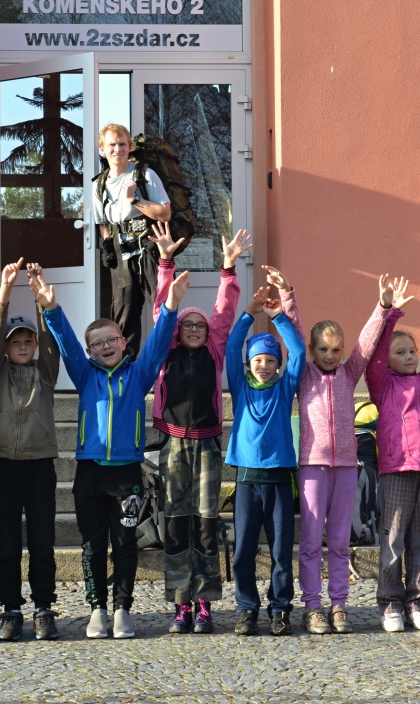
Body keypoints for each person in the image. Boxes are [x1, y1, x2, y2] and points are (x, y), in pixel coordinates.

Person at [32, 261, 190, 639]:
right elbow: (67, 345)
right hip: (89, 473)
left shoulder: (138, 374)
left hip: (126, 474)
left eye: (111, 340)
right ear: (91, 351)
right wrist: (51, 309)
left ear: (123, 342)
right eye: (98, 343)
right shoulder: (85, 374)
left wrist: (171, 306)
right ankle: (97, 609)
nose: (105, 346)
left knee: (124, 544)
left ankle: (122, 610)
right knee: (92, 546)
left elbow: (158, 344)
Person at [271, 267, 393, 635]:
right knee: (311, 542)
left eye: (336, 349)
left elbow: (366, 343)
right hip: (312, 466)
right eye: (323, 349)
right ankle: (312, 606)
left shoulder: (349, 373)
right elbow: (294, 332)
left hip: (346, 468)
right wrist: (287, 295)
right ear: (312, 350)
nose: (330, 355)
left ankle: (339, 605)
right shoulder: (304, 374)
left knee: (340, 542)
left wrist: (382, 306)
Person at [147, 222, 249, 635]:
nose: (193, 329)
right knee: (175, 523)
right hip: (172, 444)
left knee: (206, 523)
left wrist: (228, 268)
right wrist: (166, 263)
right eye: (187, 324)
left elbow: (224, 313)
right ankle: (181, 603)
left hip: (207, 447)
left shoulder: (214, 349)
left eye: (199, 326)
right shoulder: (166, 348)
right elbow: (162, 310)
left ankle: (205, 602)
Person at [364, 278, 420, 633]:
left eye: (412, 351)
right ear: (388, 359)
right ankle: (390, 604)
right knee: (393, 539)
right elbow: (374, 355)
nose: (409, 357)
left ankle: (418, 603)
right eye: (400, 352)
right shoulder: (382, 384)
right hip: (396, 470)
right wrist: (390, 314)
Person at [0, 259, 61, 642]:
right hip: (4, 465)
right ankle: (11, 609)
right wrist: (5, 290)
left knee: (42, 543)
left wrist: (40, 300)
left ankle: (43, 607)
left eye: (28, 341)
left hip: (40, 464)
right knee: (9, 546)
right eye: (16, 342)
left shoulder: (45, 372)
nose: (23, 347)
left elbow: (50, 340)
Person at [226, 283, 307, 637]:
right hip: (247, 480)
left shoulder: (285, 388)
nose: (263, 366)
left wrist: (277, 317)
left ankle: (280, 607)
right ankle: (246, 607)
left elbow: (299, 352)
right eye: (258, 360)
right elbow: (232, 347)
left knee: (280, 550)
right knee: (243, 549)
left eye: (270, 361)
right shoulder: (241, 386)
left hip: (278, 480)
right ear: (249, 364)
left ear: (278, 366)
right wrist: (249, 313)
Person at [93, 123, 171, 359]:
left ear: (129, 147)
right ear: (102, 150)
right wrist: (107, 245)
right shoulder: (98, 184)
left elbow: (165, 213)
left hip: (149, 250)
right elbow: (102, 222)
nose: (117, 149)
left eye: (122, 144)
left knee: (163, 309)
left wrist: (136, 200)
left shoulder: (145, 175)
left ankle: (168, 367)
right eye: (112, 145)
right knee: (124, 315)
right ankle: (125, 370)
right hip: (121, 255)